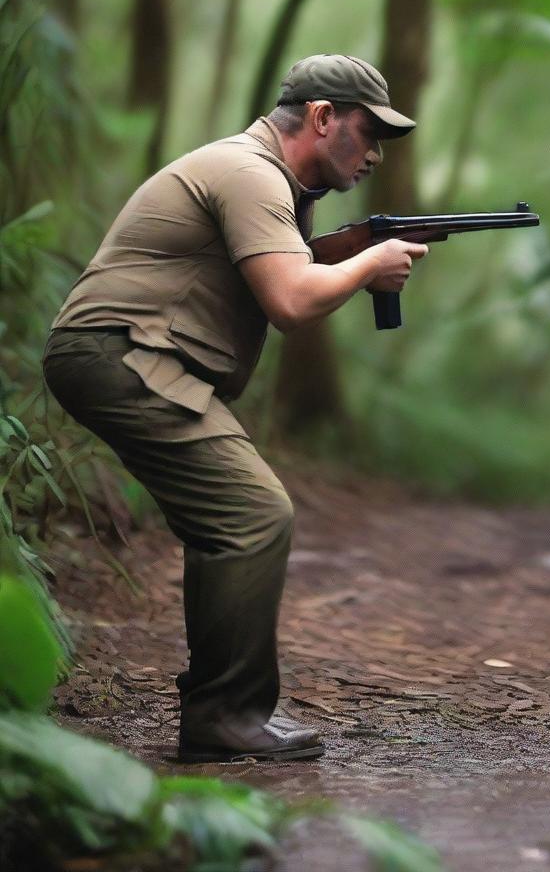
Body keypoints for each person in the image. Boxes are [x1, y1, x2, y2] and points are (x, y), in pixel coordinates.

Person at [42, 55, 428, 762]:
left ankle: (219, 712)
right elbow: (290, 300)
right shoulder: (250, 174)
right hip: (119, 353)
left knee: (228, 519)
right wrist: (369, 264)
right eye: (368, 132)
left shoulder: (270, 182)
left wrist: (341, 255)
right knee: (254, 513)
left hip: (125, 355)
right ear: (320, 118)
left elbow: (282, 267)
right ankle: (225, 715)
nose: (375, 153)